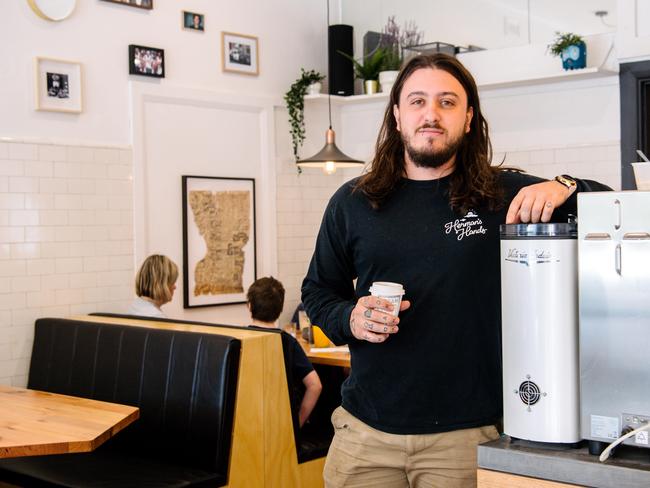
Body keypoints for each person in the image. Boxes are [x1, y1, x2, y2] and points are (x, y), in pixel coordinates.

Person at [301, 53, 610, 488]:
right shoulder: (352, 202)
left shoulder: (502, 194)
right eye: (417, 101)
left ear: (468, 118)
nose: (431, 114)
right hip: (364, 437)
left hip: (466, 438)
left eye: (447, 102)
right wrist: (349, 318)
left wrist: (564, 186)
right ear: (396, 115)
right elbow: (317, 292)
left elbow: (614, 205)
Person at [247, 277, 322, 427]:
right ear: (280, 309)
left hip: (248, 421)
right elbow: (315, 385)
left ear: (249, 306)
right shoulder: (288, 342)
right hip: (281, 423)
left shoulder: (240, 339)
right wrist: (297, 422)